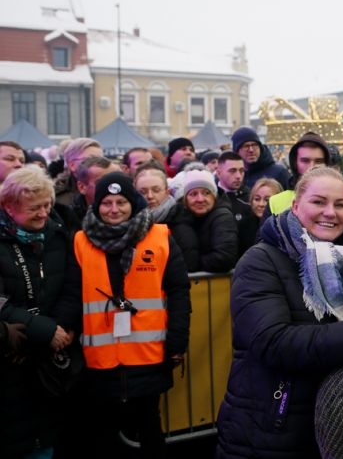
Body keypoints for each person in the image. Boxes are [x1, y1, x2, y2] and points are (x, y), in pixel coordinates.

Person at [216, 167, 343, 458]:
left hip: (335, 423)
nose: (330, 212)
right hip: (272, 428)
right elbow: (272, 341)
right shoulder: (261, 260)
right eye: (318, 202)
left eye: (340, 204)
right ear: (295, 205)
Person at [71, 171, 190, 458]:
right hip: (100, 358)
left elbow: (178, 291)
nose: (114, 209)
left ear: (132, 203)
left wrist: (176, 341)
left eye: (121, 202)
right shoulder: (80, 241)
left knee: (149, 428)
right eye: (107, 203)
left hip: (148, 354)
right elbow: (72, 295)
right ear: (96, 206)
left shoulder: (160, 237)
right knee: (105, 435)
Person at [0, 166, 81, 459]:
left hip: (50, 354)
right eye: (34, 208)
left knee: (47, 433)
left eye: (47, 205)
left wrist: (58, 329)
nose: (44, 213)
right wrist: (43, 330)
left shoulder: (59, 234)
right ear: (9, 207)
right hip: (13, 352)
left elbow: (73, 286)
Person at [134, 163, 201, 272]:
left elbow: (189, 264)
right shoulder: (130, 222)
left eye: (156, 190)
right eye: (143, 192)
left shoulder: (180, 224)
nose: (150, 196)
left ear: (167, 192)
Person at [181, 169, 238, 273]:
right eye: (193, 194)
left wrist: (192, 264)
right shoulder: (185, 217)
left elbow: (224, 258)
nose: (200, 199)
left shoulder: (222, 217)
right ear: (185, 200)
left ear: (214, 196)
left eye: (206, 193)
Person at [264, 131, 330, 218]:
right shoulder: (275, 202)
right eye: (305, 161)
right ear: (295, 163)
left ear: (326, 163)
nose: (312, 167)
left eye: (318, 161)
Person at [53, 138, 103, 207]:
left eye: (101, 160)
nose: (98, 164)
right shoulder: (57, 198)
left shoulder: (109, 187)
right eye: (90, 159)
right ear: (72, 165)